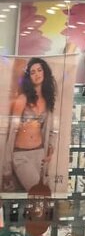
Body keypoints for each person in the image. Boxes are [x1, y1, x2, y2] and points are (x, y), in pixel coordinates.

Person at [3, 57, 58, 192]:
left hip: (40, 154)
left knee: (41, 196)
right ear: (29, 77)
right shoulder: (22, 100)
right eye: (33, 72)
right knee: (36, 192)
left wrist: (50, 149)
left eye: (39, 70)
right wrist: (6, 168)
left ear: (45, 72)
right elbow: (11, 133)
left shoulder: (48, 100)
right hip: (21, 155)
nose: (37, 74)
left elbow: (51, 129)